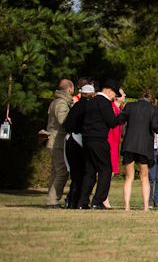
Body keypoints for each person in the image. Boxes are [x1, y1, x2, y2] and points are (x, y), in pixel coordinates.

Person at [77, 79, 121, 210]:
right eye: (114, 94)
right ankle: (98, 201)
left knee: (90, 171)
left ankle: (82, 202)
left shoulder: (92, 101)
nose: (114, 98)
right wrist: (123, 116)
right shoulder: (104, 102)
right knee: (106, 169)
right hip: (99, 139)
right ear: (109, 91)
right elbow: (111, 122)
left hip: (87, 139)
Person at [117, 90, 158, 211]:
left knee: (129, 177)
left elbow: (119, 120)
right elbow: (155, 127)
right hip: (144, 145)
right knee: (144, 177)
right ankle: (146, 206)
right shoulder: (154, 109)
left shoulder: (130, 106)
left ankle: (126, 206)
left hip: (129, 144)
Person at [45, 79, 74, 209]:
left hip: (53, 141)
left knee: (55, 172)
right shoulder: (62, 103)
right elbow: (63, 120)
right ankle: (52, 201)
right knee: (62, 171)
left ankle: (51, 200)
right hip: (57, 141)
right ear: (69, 89)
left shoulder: (56, 101)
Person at [64, 82, 93, 209]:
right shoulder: (88, 108)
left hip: (69, 139)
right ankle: (77, 200)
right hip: (79, 140)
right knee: (81, 172)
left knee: (74, 173)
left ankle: (71, 200)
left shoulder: (76, 106)